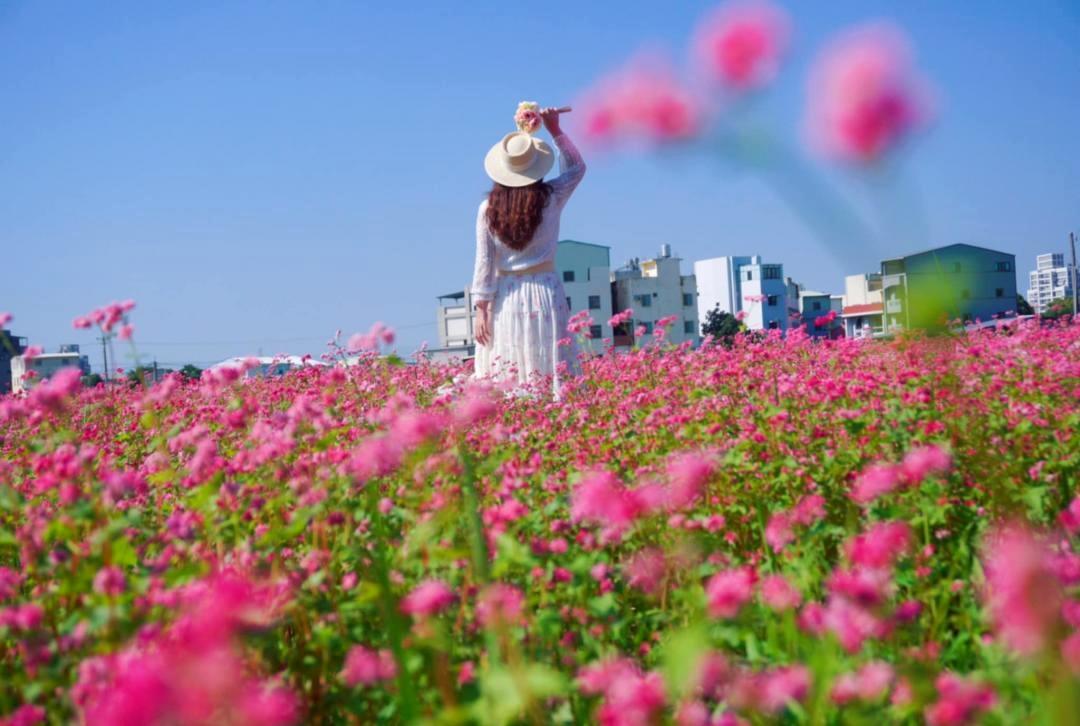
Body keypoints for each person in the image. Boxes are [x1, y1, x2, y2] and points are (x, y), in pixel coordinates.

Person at [471, 107, 586, 397]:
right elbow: (577, 168)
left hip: (505, 296)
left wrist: (481, 310)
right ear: (537, 167)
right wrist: (555, 130)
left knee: (509, 362)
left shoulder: (488, 210)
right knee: (548, 361)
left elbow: (484, 262)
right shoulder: (551, 197)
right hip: (545, 291)